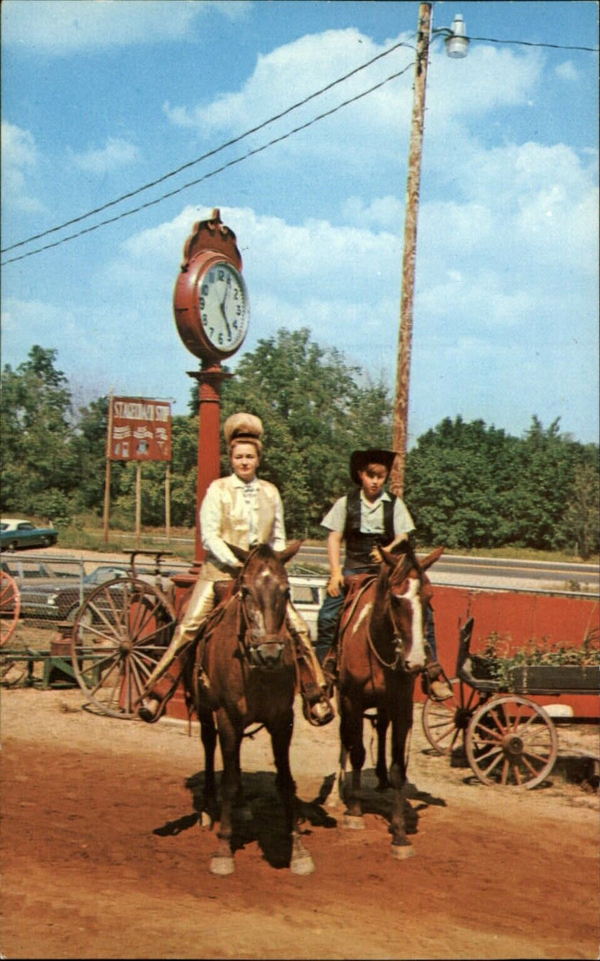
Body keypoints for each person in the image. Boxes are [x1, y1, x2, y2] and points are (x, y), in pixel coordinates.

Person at [137, 412, 334, 726]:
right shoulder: (218, 490)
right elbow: (210, 535)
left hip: (261, 579)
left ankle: (315, 693)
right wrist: (235, 563)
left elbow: (278, 535)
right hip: (221, 573)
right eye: (239, 457)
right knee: (188, 626)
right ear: (231, 459)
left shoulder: (271, 491)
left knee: (298, 627)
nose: (244, 462)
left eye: (250, 457)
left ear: (258, 459)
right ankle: (157, 690)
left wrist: (274, 562)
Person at [314, 448, 453, 701]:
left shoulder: (394, 504)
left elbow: (403, 535)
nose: (376, 481)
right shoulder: (346, 503)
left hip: (388, 570)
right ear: (361, 475)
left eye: (381, 476)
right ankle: (323, 673)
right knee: (328, 614)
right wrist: (335, 572)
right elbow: (334, 537)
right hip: (354, 568)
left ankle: (432, 672)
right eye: (371, 475)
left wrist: (387, 550)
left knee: (423, 611)